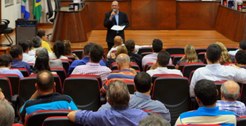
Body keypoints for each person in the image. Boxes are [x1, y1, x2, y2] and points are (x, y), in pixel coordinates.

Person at [67, 80, 148, 126]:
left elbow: (71, 115)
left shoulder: (101, 116)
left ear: (108, 100)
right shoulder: (143, 116)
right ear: (129, 97)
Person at [100, 72, 171, 122]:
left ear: (134, 87)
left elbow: (101, 112)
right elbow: (167, 122)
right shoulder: (161, 108)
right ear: (151, 86)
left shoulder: (121, 100)